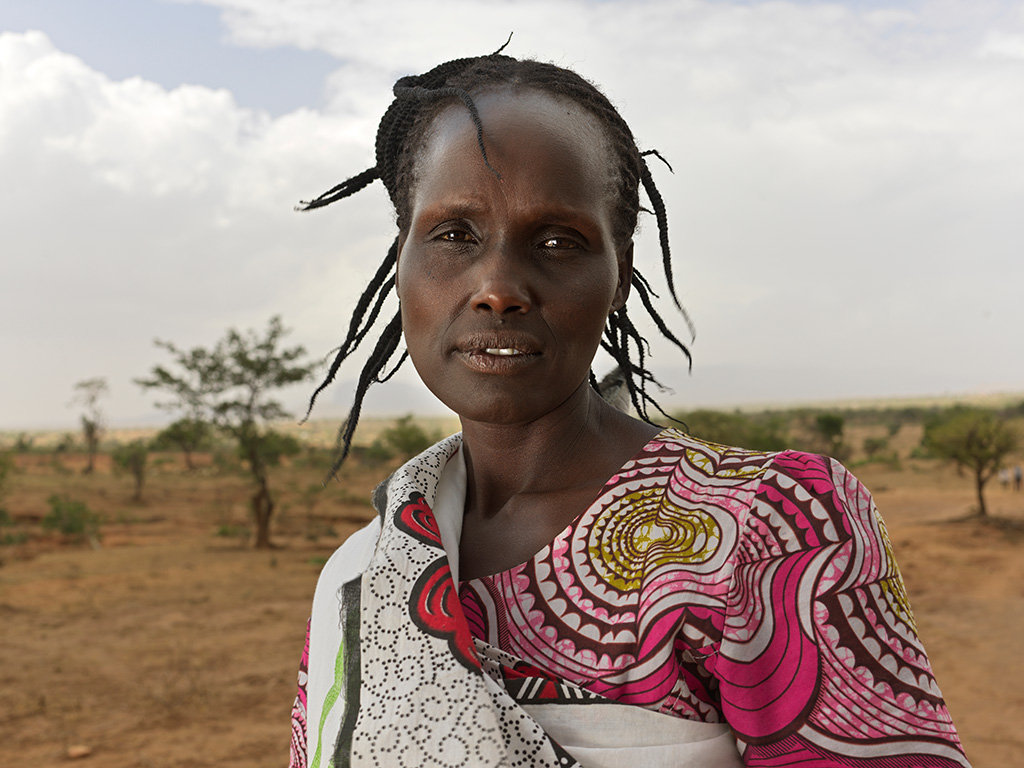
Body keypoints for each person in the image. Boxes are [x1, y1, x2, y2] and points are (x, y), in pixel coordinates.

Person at [288, 46, 970, 768]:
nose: (498, 287)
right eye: (454, 235)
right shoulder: (362, 579)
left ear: (618, 278)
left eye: (558, 241)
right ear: (402, 261)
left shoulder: (770, 530)